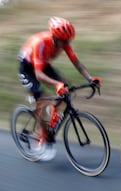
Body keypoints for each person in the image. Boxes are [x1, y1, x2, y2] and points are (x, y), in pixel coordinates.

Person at [18, 16, 102, 161]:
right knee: (42, 99)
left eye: (68, 41)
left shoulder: (64, 43)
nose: (66, 44)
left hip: (42, 63)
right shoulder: (41, 43)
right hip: (28, 67)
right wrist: (56, 84)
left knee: (66, 89)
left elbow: (77, 63)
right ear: (54, 37)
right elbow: (38, 74)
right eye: (63, 41)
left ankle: (51, 116)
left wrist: (90, 78)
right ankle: (42, 138)